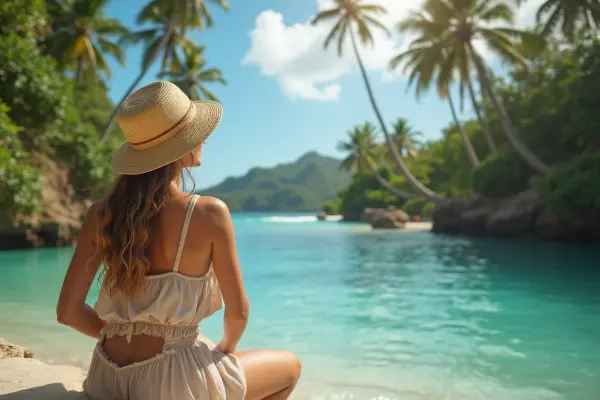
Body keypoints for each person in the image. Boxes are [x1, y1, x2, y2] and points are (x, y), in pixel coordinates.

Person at [56, 81, 301, 400]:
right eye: (196, 133)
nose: (204, 140)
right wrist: (223, 353)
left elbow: (67, 312)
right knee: (290, 367)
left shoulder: (100, 214)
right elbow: (238, 313)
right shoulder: (209, 212)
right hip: (171, 383)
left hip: (106, 378)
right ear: (181, 146)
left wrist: (116, 334)